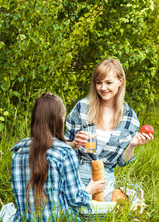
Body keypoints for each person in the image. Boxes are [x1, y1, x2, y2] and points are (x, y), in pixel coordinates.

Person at [65, 58, 154, 201]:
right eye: (98, 82)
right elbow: (63, 146)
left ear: (121, 81)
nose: (102, 87)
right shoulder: (82, 108)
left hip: (105, 181)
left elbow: (121, 162)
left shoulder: (129, 119)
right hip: (76, 175)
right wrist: (74, 144)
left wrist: (132, 145)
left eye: (108, 82)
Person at [10, 92, 102, 221]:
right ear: (60, 120)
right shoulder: (64, 153)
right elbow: (75, 199)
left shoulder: (18, 151)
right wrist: (89, 190)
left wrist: (73, 145)